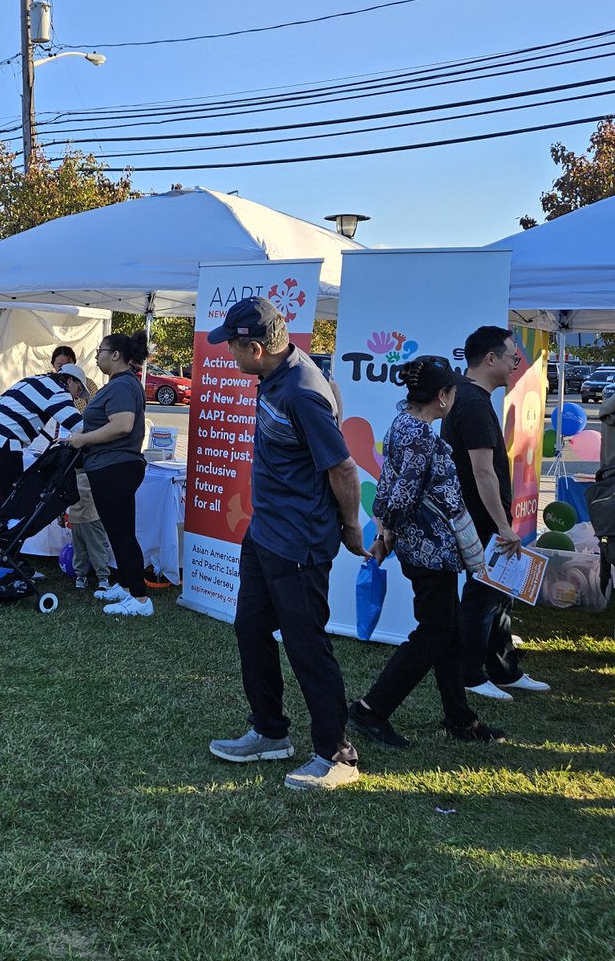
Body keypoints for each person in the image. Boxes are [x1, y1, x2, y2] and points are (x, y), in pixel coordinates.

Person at [206, 298, 367, 792]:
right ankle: (270, 732)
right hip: (265, 533)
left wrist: (351, 528)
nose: (228, 354)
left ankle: (337, 755)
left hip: (299, 542)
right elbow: (333, 401)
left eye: (233, 347)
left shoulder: (300, 392)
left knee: (306, 646)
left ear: (256, 348)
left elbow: (343, 469)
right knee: (250, 628)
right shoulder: (279, 374)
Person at [350, 357, 505, 747]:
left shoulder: (402, 424)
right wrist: (386, 534)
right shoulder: (421, 436)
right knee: (434, 634)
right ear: (442, 396)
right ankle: (370, 710)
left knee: (450, 633)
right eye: (452, 390)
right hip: (430, 551)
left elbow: (388, 483)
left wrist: (384, 530)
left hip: (427, 549)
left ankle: (460, 718)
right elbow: (403, 494)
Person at [442, 326, 551, 700]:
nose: (516, 365)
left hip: (484, 517)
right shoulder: (472, 403)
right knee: (483, 596)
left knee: (499, 595)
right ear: (490, 359)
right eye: (512, 358)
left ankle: (504, 668)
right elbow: (482, 471)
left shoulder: (469, 397)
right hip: (482, 519)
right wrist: (503, 526)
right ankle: (470, 675)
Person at [67, 333, 152, 615]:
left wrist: (83, 439)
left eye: (100, 350)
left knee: (122, 532)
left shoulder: (123, 385)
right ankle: (126, 586)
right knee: (117, 531)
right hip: (110, 466)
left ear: (115, 355)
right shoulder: (119, 384)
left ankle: (140, 599)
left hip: (116, 466)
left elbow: (123, 424)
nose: (96, 356)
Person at [0, 365, 88, 506]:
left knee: (3, 497)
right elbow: (79, 426)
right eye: (79, 390)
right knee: (15, 501)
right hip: (1, 439)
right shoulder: (58, 390)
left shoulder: (34, 379)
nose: (76, 397)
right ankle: (6, 519)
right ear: (69, 381)